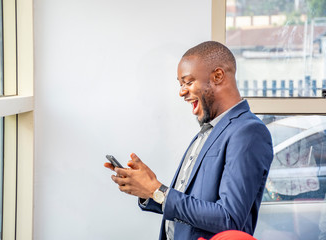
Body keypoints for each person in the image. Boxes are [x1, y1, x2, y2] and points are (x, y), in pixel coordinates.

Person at [104, 41, 273, 240]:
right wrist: (148, 191)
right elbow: (191, 207)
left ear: (217, 76)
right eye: (180, 84)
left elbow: (229, 219)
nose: (181, 91)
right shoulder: (207, 131)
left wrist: (157, 190)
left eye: (188, 82)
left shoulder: (248, 131)